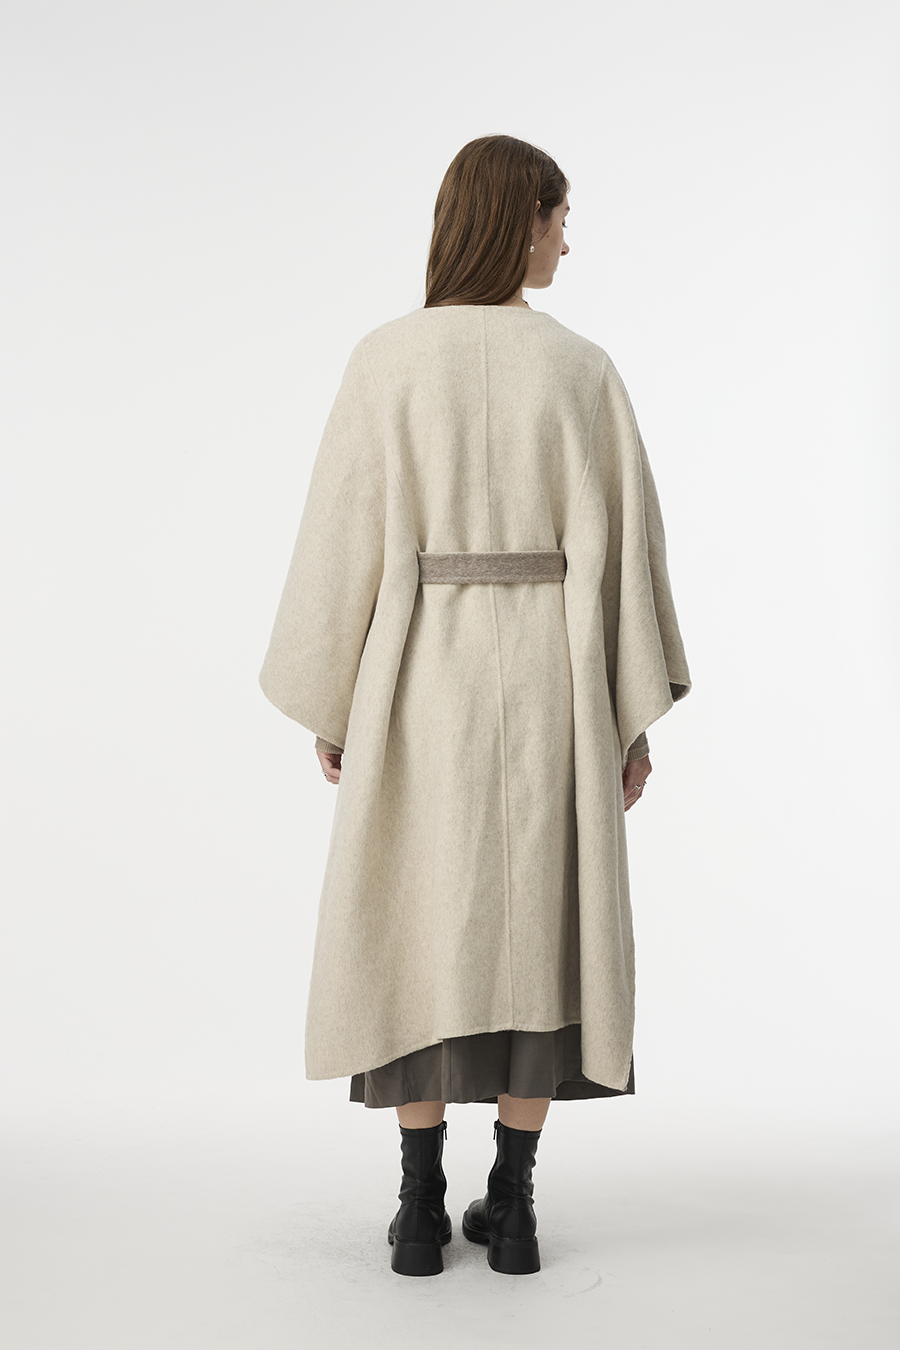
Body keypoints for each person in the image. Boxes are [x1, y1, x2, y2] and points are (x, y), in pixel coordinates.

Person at [259, 134, 691, 1277]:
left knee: (417, 924)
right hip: (554, 678)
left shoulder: (385, 361)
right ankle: (516, 1206)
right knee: (538, 930)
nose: (567, 243)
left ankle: (417, 1211)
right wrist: (628, 722)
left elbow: (342, 543)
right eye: (559, 219)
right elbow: (626, 561)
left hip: (420, 682)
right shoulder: (582, 369)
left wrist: (337, 703)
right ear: (518, 221)